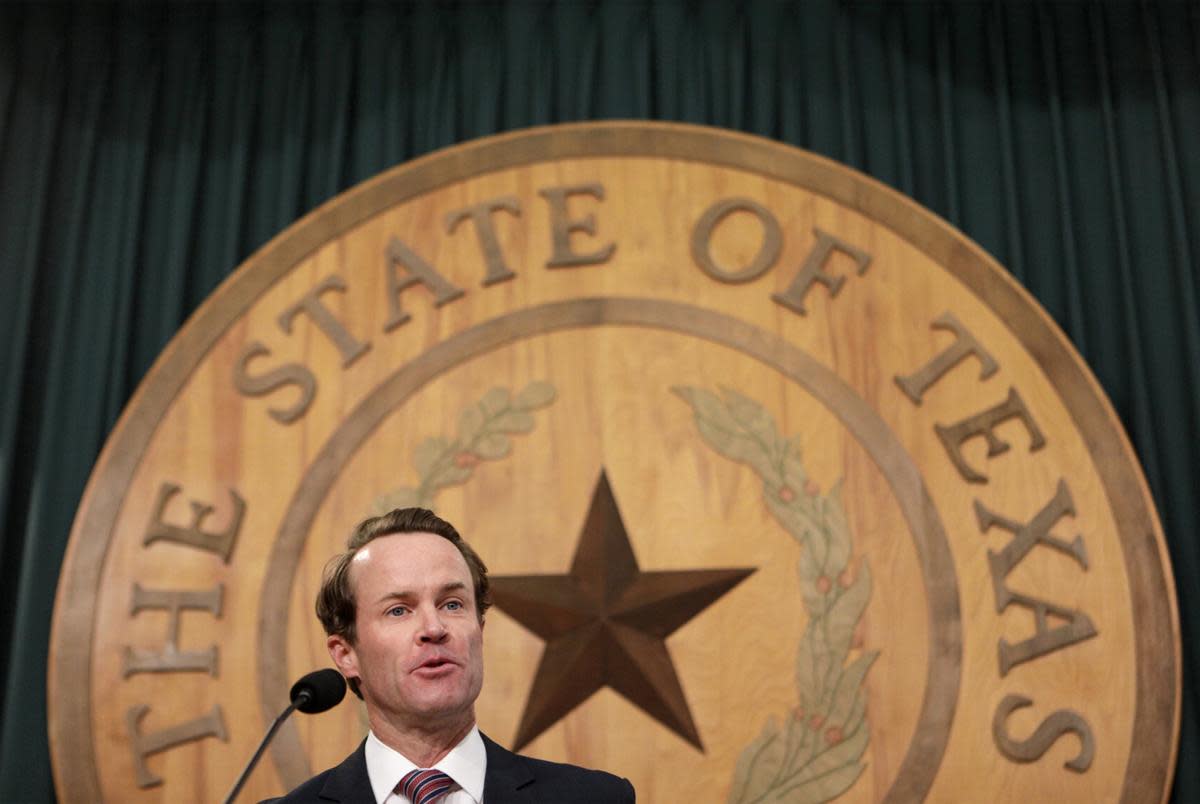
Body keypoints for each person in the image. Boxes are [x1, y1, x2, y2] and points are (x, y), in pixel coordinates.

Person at [270, 507, 635, 803]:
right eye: (399, 610)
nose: (434, 627)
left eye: (452, 604)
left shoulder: (597, 798)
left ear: (480, 632)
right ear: (346, 653)